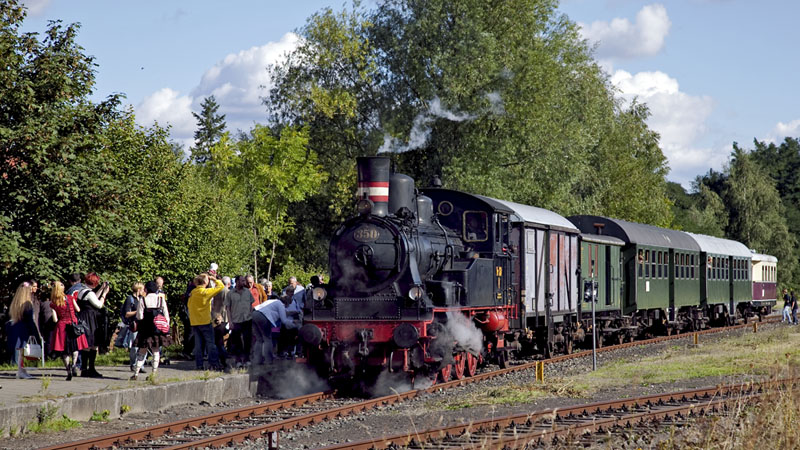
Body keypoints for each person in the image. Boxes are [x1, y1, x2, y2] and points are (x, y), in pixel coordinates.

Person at [131, 281, 172, 380]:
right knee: (156, 351)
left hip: (145, 328)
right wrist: (166, 328)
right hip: (157, 329)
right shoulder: (161, 300)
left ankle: (136, 373)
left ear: (146, 289)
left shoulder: (143, 300)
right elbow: (166, 315)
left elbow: (139, 316)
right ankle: (153, 374)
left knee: (142, 351)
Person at [49, 281, 88, 380]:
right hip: (73, 324)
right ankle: (74, 364)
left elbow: (55, 320)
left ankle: (68, 370)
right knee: (75, 347)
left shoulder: (53, 303)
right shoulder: (70, 298)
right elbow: (78, 309)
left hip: (62, 327)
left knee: (64, 351)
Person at [187, 272, 225, 370]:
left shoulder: (193, 293)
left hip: (195, 322)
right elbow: (221, 286)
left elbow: (189, 305)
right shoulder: (205, 292)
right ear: (205, 282)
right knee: (210, 344)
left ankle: (199, 365)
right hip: (205, 321)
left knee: (198, 345)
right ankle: (213, 364)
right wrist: (213, 278)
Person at [76, 272, 110, 377]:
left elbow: (93, 298)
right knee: (92, 344)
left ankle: (84, 369)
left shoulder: (82, 290)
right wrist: (104, 294)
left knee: (87, 344)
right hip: (90, 319)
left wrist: (101, 289)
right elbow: (99, 304)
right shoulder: (89, 293)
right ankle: (90, 369)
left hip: (84, 318)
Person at [252, 292, 297, 365]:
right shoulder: (280, 304)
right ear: (286, 302)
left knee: (259, 339)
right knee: (267, 339)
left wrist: (293, 313)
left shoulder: (273, 301)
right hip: (263, 317)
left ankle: (257, 360)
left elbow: (284, 312)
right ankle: (268, 361)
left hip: (254, 313)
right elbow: (284, 321)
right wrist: (294, 325)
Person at [7, 282, 40, 379]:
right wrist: (34, 332)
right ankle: (21, 371)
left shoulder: (16, 302)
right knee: (23, 351)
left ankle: (21, 371)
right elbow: (30, 320)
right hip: (25, 329)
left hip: (17, 328)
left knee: (21, 351)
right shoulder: (27, 304)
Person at [226, 276, 254, 368]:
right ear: (237, 281)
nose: (244, 282)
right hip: (236, 320)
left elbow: (251, 304)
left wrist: (251, 314)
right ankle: (238, 360)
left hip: (247, 319)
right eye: (242, 281)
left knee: (247, 340)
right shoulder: (230, 293)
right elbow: (228, 308)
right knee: (237, 341)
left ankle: (247, 359)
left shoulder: (247, 292)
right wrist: (230, 321)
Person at [122, 283, 145, 373]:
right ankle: (134, 364)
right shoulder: (130, 299)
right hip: (134, 325)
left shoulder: (142, 299)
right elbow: (127, 314)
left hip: (142, 324)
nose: (144, 291)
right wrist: (138, 311)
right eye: (142, 289)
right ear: (138, 290)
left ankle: (141, 365)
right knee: (134, 346)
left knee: (143, 345)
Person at [212, 276, 231, 369]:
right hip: (224, 318)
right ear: (229, 284)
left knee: (217, 341)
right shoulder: (227, 292)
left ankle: (218, 361)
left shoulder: (216, 291)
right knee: (221, 342)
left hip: (215, 317)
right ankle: (224, 360)